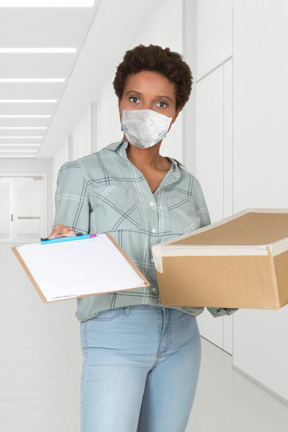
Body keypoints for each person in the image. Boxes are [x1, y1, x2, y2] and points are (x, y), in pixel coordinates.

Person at [50, 44, 236, 432]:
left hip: (182, 335)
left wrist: (244, 284)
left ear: (176, 114)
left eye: (162, 103)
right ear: (120, 103)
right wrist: (61, 247)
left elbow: (206, 265)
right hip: (115, 330)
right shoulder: (83, 172)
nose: (146, 112)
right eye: (135, 98)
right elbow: (66, 261)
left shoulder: (188, 186)